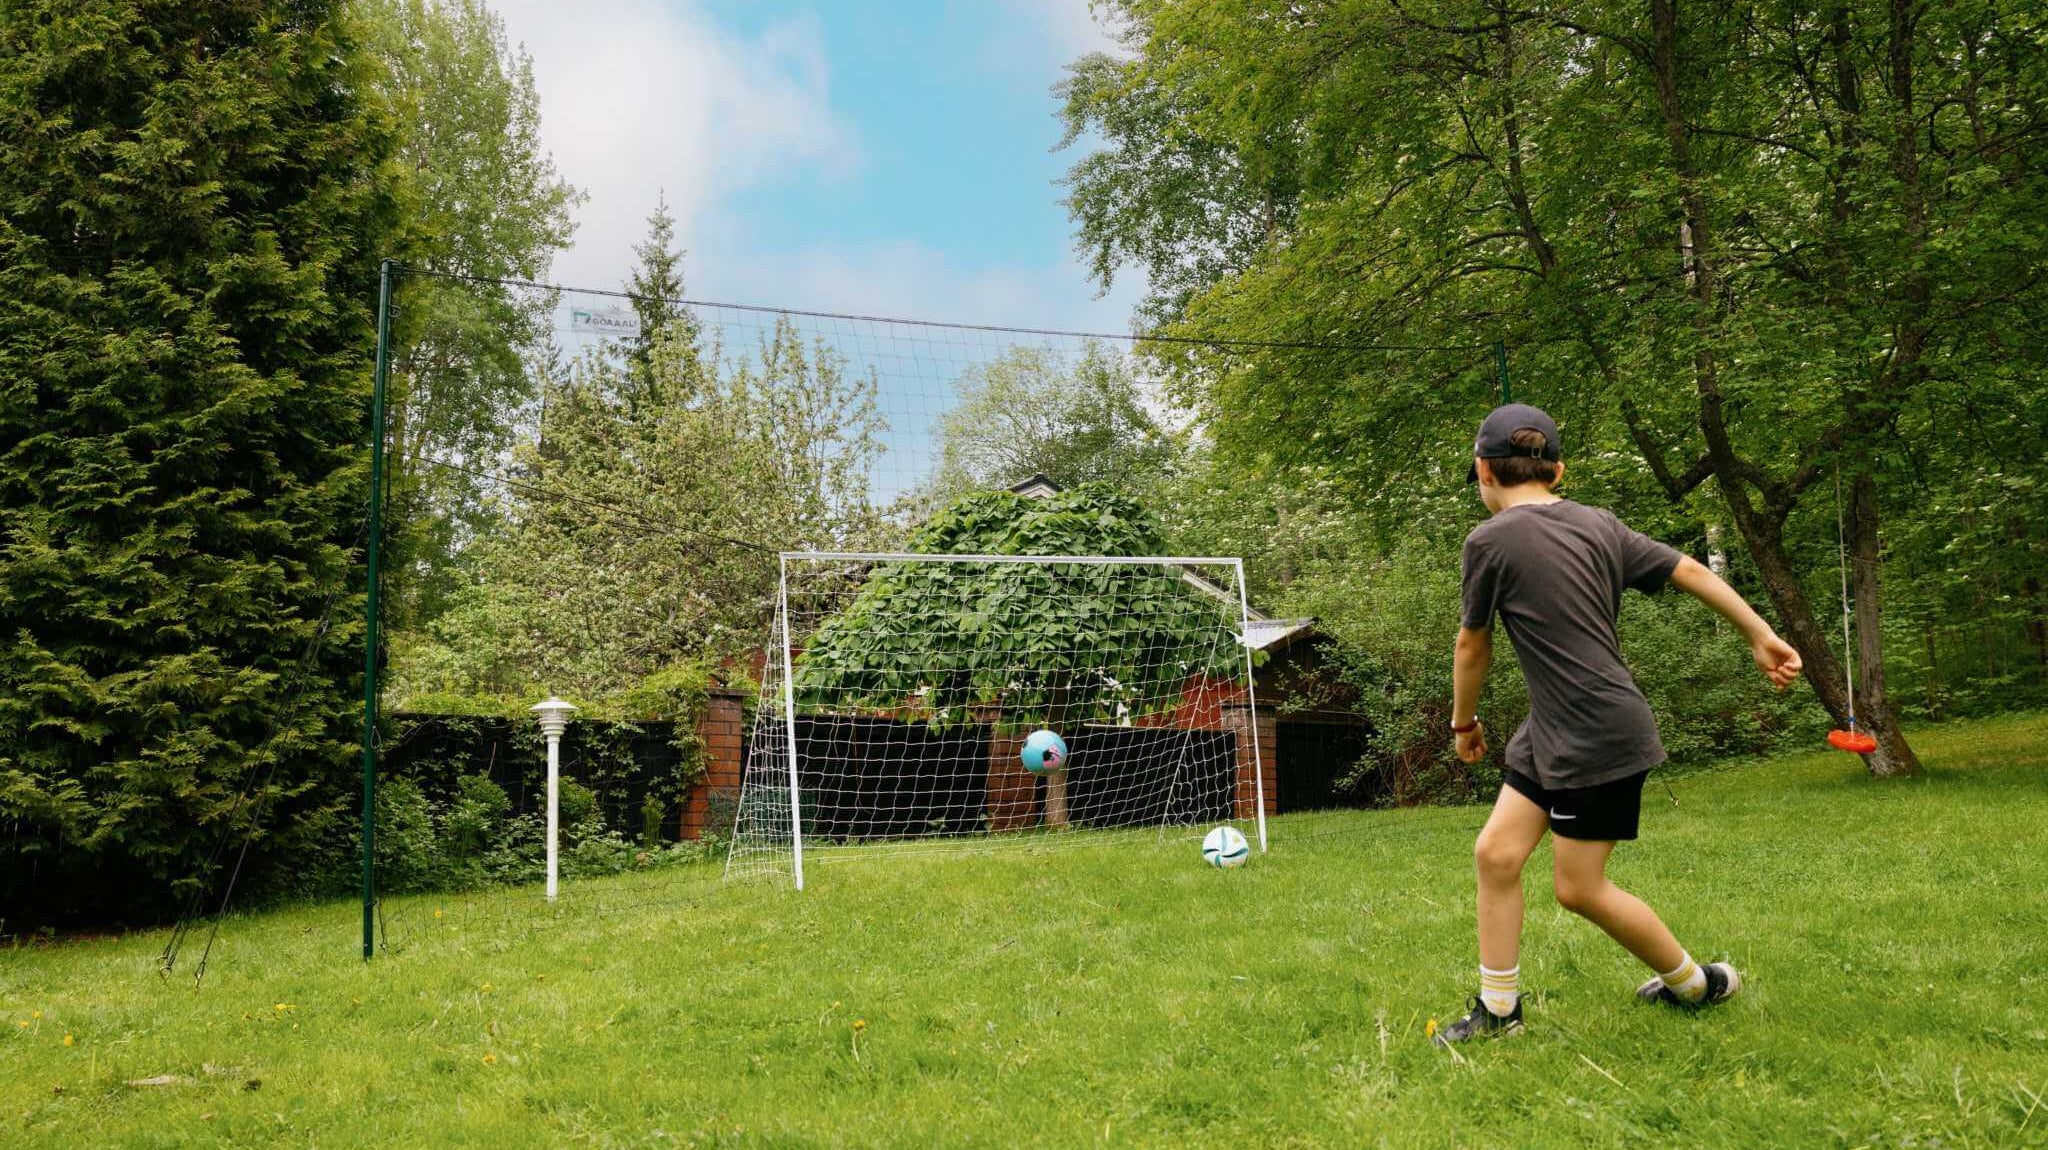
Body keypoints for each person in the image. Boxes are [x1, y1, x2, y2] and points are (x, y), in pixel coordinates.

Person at [1433, 404, 1803, 1045]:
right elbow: (1687, 568)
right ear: (1558, 470)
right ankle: (1500, 1013)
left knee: (1579, 888)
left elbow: (1473, 646)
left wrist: (1463, 723)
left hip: (1594, 732)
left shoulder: (1488, 540)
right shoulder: (1599, 523)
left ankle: (1697, 984)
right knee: (1496, 853)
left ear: (1483, 469)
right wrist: (1760, 634)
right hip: (1555, 727)